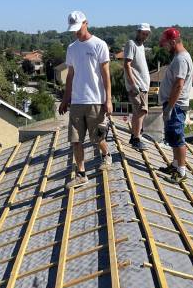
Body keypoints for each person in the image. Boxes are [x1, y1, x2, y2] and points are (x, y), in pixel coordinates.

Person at [58, 11, 113, 189]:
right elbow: (70, 75)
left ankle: (106, 155)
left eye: (78, 28)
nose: (76, 32)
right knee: (76, 140)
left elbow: (106, 75)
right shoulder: (72, 48)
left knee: (97, 138)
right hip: (77, 101)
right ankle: (81, 174)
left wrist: (108, 100)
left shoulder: (99, 45)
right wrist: (65, 99)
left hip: (95, 99)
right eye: (73, 29)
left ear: (86, 23)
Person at [157, 27, 193, 184]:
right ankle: (175, 165)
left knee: (178, 138)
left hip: (176, 106)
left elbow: (179, 85)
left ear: (172, 42)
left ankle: (181, 172)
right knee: (172, 136)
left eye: (165, 44)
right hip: (174, 104)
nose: (165, 47)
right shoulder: (179, 57)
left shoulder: (181, 59)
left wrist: (170, 107)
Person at [123, 23, 151, 150]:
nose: (145, 36)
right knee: (141, 110)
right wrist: (133, 84)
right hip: (137, 86)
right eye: (143, 33)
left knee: (139, 112)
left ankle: (135, 134)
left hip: (143, 86)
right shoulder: (131, 44)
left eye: (147, 34)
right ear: (138, 32)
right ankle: (136, 138)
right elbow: (127, 64)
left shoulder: (141, 46)